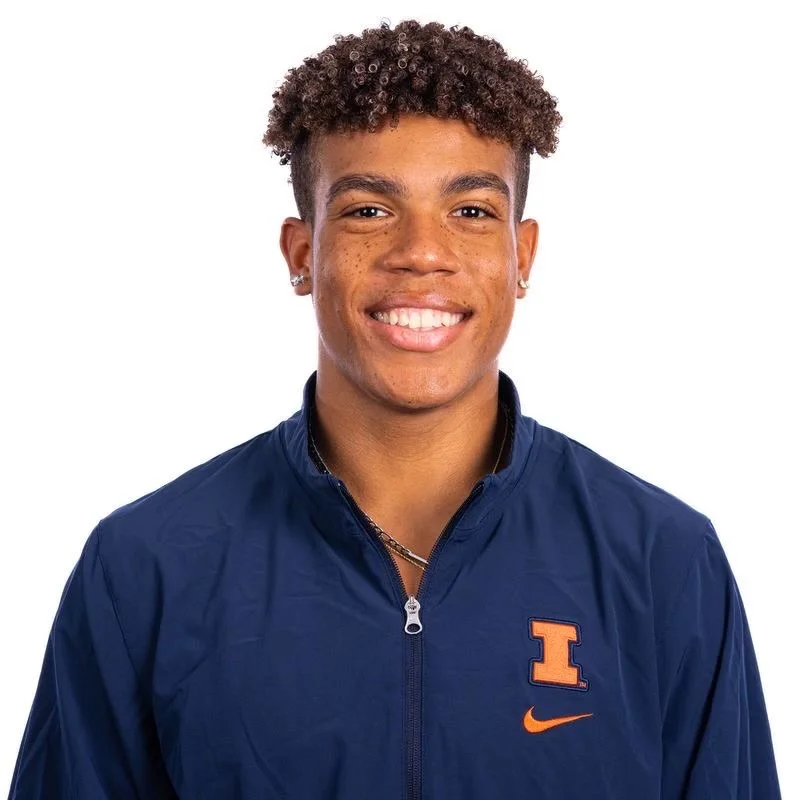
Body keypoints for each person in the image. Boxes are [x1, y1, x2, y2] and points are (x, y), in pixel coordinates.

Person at [8, 18, 781, 800]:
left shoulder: (662, 561)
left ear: (522, 256)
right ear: (302, 254)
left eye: (471, 211)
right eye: (369, 211)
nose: (422, 252)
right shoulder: (145, 568)